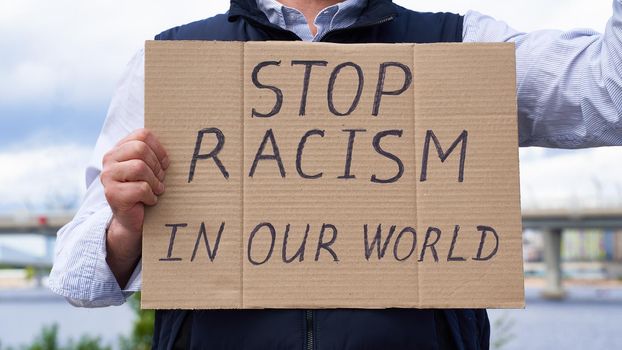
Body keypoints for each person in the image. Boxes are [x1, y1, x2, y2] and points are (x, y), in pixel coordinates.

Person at [49, 0, 622, 349]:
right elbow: (77, 278)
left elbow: (611, 95)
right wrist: (123, 227)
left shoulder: (464, 48)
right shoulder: (172, 61)